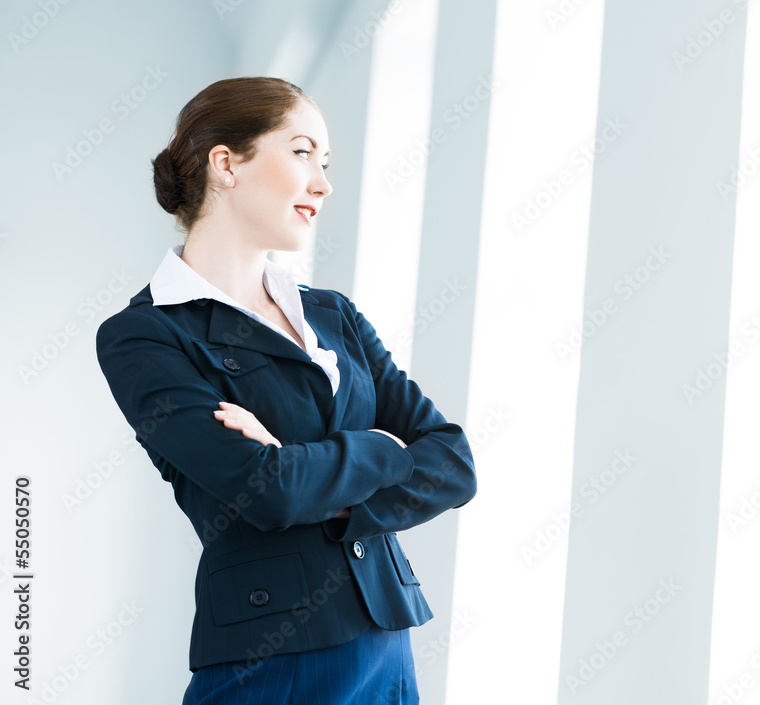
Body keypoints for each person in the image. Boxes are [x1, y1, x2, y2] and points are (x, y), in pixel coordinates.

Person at [95, 76, 477, 704]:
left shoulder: (333, 314)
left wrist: (306, 473)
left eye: (326, 163)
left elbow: (454, 464)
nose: (322, 183)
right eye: (303, 153)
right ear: (226, 164)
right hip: (271, 654)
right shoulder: (145, 334)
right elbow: (267, 492)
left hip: (386, 641)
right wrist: (383, 447)